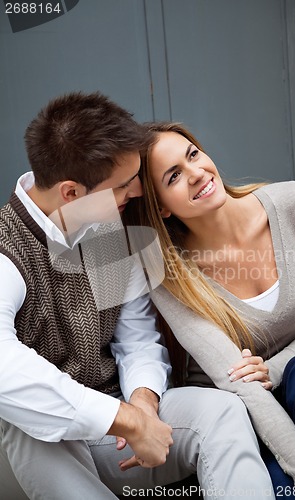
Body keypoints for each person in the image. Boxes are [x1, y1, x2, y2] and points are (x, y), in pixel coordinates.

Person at [0, 92, 275, 500]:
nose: (138, 192)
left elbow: (136, 339)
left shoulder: (106, 233)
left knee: (222, 411)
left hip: (118, 436)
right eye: (124, 185)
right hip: (40, 449)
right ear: (72, 192)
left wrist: (143, 405)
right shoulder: (7, 250)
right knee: (26, 426)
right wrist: (124, 420)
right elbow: (6, 368)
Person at [128, 121, 295, 500]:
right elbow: (240, 384)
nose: (196, 174)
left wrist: (273, 368)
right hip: (247, 422)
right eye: (173, 176)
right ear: (160, 207)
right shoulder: (167, 271)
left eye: (193, 155)